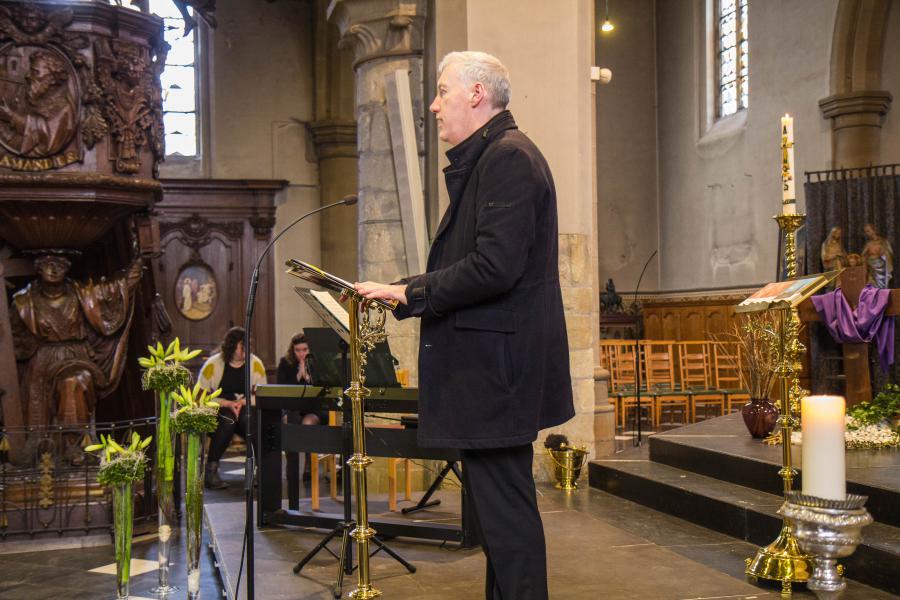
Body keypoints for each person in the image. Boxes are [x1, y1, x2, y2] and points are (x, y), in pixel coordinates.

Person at [355, 51, 574, 600]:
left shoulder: (508, 159)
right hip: (493, 373)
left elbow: (494, 268)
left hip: (495, 376)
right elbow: (481, 263)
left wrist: (410, 291)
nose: (433, 105)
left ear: (477, 94)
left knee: (507, 521)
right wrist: (404, 288)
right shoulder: (494, 157)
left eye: (443, 91)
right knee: (500, 522)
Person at [10, 253, 143, 463]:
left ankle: (76, 446)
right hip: (42, 359)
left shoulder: (82, 294)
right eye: (48, 264)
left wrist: (139, 260)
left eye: (60, 265)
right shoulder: (23, 302)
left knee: (75, 381)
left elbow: (118, 291)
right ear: (38, 268)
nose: (53, 269)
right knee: (36, 405)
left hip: (75, 355)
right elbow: (13, 340)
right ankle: (44, 454)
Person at [197, 326, 267, 490]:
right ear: (232, 346)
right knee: (227, 421)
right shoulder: (213, 364)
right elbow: (200, 396)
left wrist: (242, 403)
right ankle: (211, 472)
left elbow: (261, 394)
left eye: (248, 344)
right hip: (219, 409)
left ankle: (261, 471)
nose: (246, 348)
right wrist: (226, 403)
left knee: (251, 420)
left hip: (245, 406)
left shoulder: (255, 364)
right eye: (243, 344)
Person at [276, 333, 325, 501]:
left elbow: (322, 388)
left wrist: (308, 377)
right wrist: (298, 375)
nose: (301, 354)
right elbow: (281, 388)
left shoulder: (319, 363)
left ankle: (309, 465)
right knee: (291, 421)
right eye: (297, 350)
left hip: (313, 408)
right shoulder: (285, 363)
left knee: (307, 424)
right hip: (292, 408)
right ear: (293, 350)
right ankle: (292, 466)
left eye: (304, 349)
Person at [862, 223, 893, 288]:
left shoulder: (883, 242)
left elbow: (888, 254)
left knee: (881, 285)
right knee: (871, 285)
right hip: (870, 267)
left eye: (868, 231)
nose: (867, 233)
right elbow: (863, 255)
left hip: (881, 267)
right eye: (866, 232)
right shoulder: (868, 243)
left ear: (874, 230)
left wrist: (881, 253)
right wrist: (866, 259)